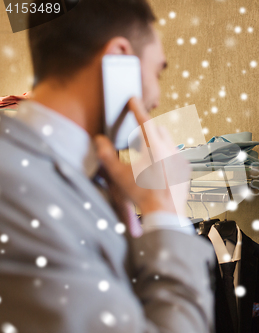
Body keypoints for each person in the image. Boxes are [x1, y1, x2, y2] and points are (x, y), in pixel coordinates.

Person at [0, 0, 215, 332]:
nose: (156, 97)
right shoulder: (16, 188)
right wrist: (166, 212)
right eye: (158, 71)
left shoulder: (71, 172)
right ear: (118, 58)